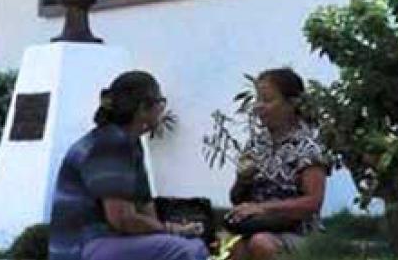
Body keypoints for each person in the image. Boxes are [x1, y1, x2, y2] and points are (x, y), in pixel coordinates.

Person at [50, 71, 206, 260]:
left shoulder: (131, 145)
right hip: (81, 248)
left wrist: (173, 231)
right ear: (143, 108)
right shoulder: (110, 144)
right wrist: (171, 230)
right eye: (160, 102)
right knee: (187, 250)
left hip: (107, 243)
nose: (162, 109)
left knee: (191, 244)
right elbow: (122, 219)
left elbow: (146, 210)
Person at [225, 68, 329, 258]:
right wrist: (243, 180)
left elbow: (313, 202)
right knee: (233, 249)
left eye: (267, 100)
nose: (258, 106)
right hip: (261, 227)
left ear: (291, 104)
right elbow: (237, 199)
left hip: (300, 233)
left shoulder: (308, 146)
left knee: (260, 243)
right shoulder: (257, 144)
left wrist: (264, 208)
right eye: (258, 100)